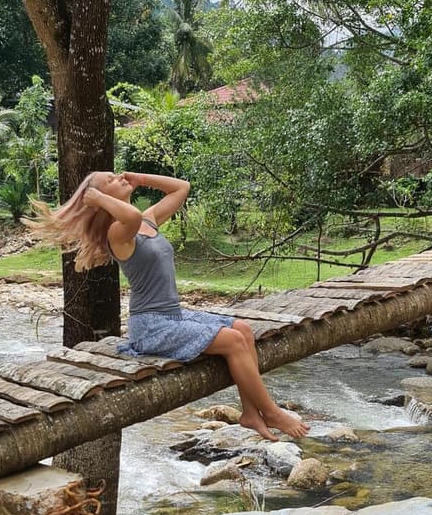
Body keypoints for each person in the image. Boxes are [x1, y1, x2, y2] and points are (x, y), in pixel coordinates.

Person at [28, 170, 309, 441]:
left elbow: (181, 188)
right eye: (111, 180)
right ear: (100, 198)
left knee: (243, 330)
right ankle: (272, 412)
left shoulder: (147, 221)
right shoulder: (118, 232)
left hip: (172, 315)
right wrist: (99, 200)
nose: (120, 177)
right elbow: (131, 215)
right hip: (151, 326)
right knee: (234, 342)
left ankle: (250, 412)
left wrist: (140, 179)